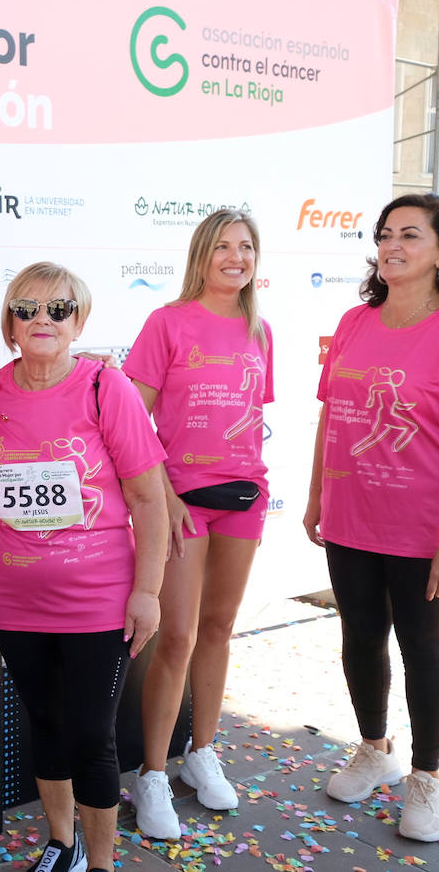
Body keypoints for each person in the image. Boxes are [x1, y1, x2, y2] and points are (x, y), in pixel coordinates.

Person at [304, 194, 439, 841]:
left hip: (425, 529)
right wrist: (316, 495)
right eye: (385, 234)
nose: (392, 245)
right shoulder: (354, 322)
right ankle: (375, 749)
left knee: (424, 647)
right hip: (351, 517)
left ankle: (426, 778)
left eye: (411, 236)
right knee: (360, 636)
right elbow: (331, 415)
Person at [0, 263, 167, 872]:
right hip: (14, 595)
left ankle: (103, 863)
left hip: (97, 599)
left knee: (92, 736)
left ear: (79, 320)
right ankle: (63, 843)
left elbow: (147, 498)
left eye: (58, 309)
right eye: (27, 309)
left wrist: (148, 591)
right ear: (10, 322)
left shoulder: (108, 388)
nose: (42, 321)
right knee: (46, 723)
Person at [122, 209, 275, 840]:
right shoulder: (167, 322)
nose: (235, 258)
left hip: (246, 496)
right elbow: (132, 424)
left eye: (245, 247)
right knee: (178, 636)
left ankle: (201, 753)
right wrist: (163, 493)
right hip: (182, 498)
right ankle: (152, 773)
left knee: (219, 628)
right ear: (201, 255)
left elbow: (251, 416)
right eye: (223, 247)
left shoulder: (260, 329)